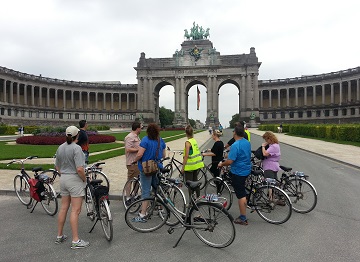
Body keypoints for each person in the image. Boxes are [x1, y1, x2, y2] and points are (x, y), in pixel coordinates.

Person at [55, 126, 89, 249]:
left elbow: (57, 167)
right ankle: (75, 240)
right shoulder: (77, 148)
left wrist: (64, 173)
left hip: (63, 178)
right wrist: (84, 179)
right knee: (76, 210)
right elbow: (80, 168)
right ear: (77, 136)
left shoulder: (60, 147)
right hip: (74, 179)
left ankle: (59, 235)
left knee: (64, 208)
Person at [132, 123, 166, 222]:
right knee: (157, 188)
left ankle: (143, 213)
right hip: (157, 167)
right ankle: (160, 208)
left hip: (146, 168)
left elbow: (140, 154)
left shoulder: (145, 140)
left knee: (146, 191)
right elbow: (164, 155)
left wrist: (135, 160)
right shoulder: (160, 140)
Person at [218, 125, 251, 225]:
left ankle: (243, 218)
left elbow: (230, 161)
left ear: (235, 133)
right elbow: (241, 154)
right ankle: (246, 199)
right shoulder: (247, 142)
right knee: (242, 190)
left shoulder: (236, 145)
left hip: (238, 171)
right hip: (247, 169)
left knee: (240, 195)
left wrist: (222, 164)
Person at [181, 125, 205, 199]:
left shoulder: (187, 142)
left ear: (186, 133)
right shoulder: (194, 141)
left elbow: (186, 156)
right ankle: (198, 197)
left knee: (189, 184)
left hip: (190, 166)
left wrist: (183, 167)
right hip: (196, 165)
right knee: (195, 181)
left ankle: (191, 201)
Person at [124, 121, 142, 205]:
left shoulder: (136, 136)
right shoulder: (130, 137)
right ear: (137, 128)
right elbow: (128, 149)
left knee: (137, 180)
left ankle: (134, 195)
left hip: (137, 162)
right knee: (130, 180)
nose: (141, 129)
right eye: (141, 127)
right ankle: (127, 197)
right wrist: (139, 150)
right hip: (132, 162)